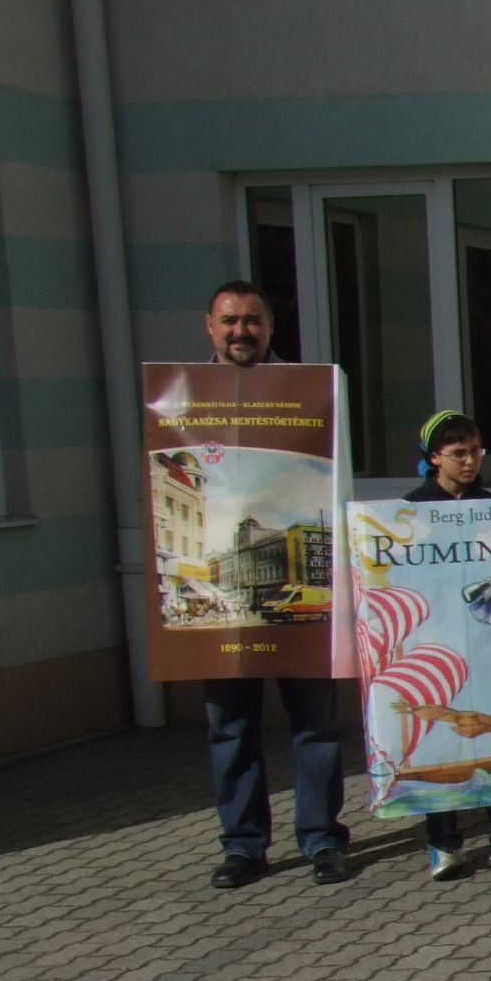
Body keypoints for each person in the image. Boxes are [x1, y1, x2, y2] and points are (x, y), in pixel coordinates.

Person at [197, 280, 351, 890]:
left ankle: (321, 837)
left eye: (252, 320)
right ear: (210, 326)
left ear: (269, 328)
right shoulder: (184, 399)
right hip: (227, 612)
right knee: (230, 726)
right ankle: (244, 845)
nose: (241, 331)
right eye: (230, 320)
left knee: (315, 723)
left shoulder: (304, 392)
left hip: (301, 611)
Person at [403, 410, 491, 878]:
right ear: (434, 457)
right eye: (459, 453)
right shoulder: (407, 512)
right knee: (440, 742)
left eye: (476, 451)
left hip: (489, 644)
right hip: (436, 647)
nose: (471, 460)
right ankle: (443, 841)